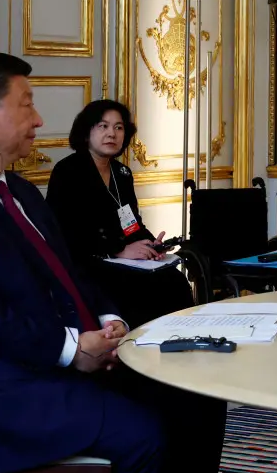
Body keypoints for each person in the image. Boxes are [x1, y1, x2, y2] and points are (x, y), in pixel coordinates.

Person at [0, 53, 226, 473]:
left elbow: (69, 271)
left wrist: (106, 319)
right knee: (143, 433)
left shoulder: (20, 189)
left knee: (199, 395)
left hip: (52, 365)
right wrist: (70, 349)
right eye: (27, 104)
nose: (39, 118)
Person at [46, 99, 193, 328]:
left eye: (118, 127)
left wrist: (150, 243)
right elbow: (66, 232)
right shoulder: (68, 171)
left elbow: (131, 223)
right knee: (137, 288)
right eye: (103, 126)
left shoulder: (122, 172)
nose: (111, 134)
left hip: (120, 258)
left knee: (175, 280)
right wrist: (120, 250)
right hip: (86, 261)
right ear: (86, 132)